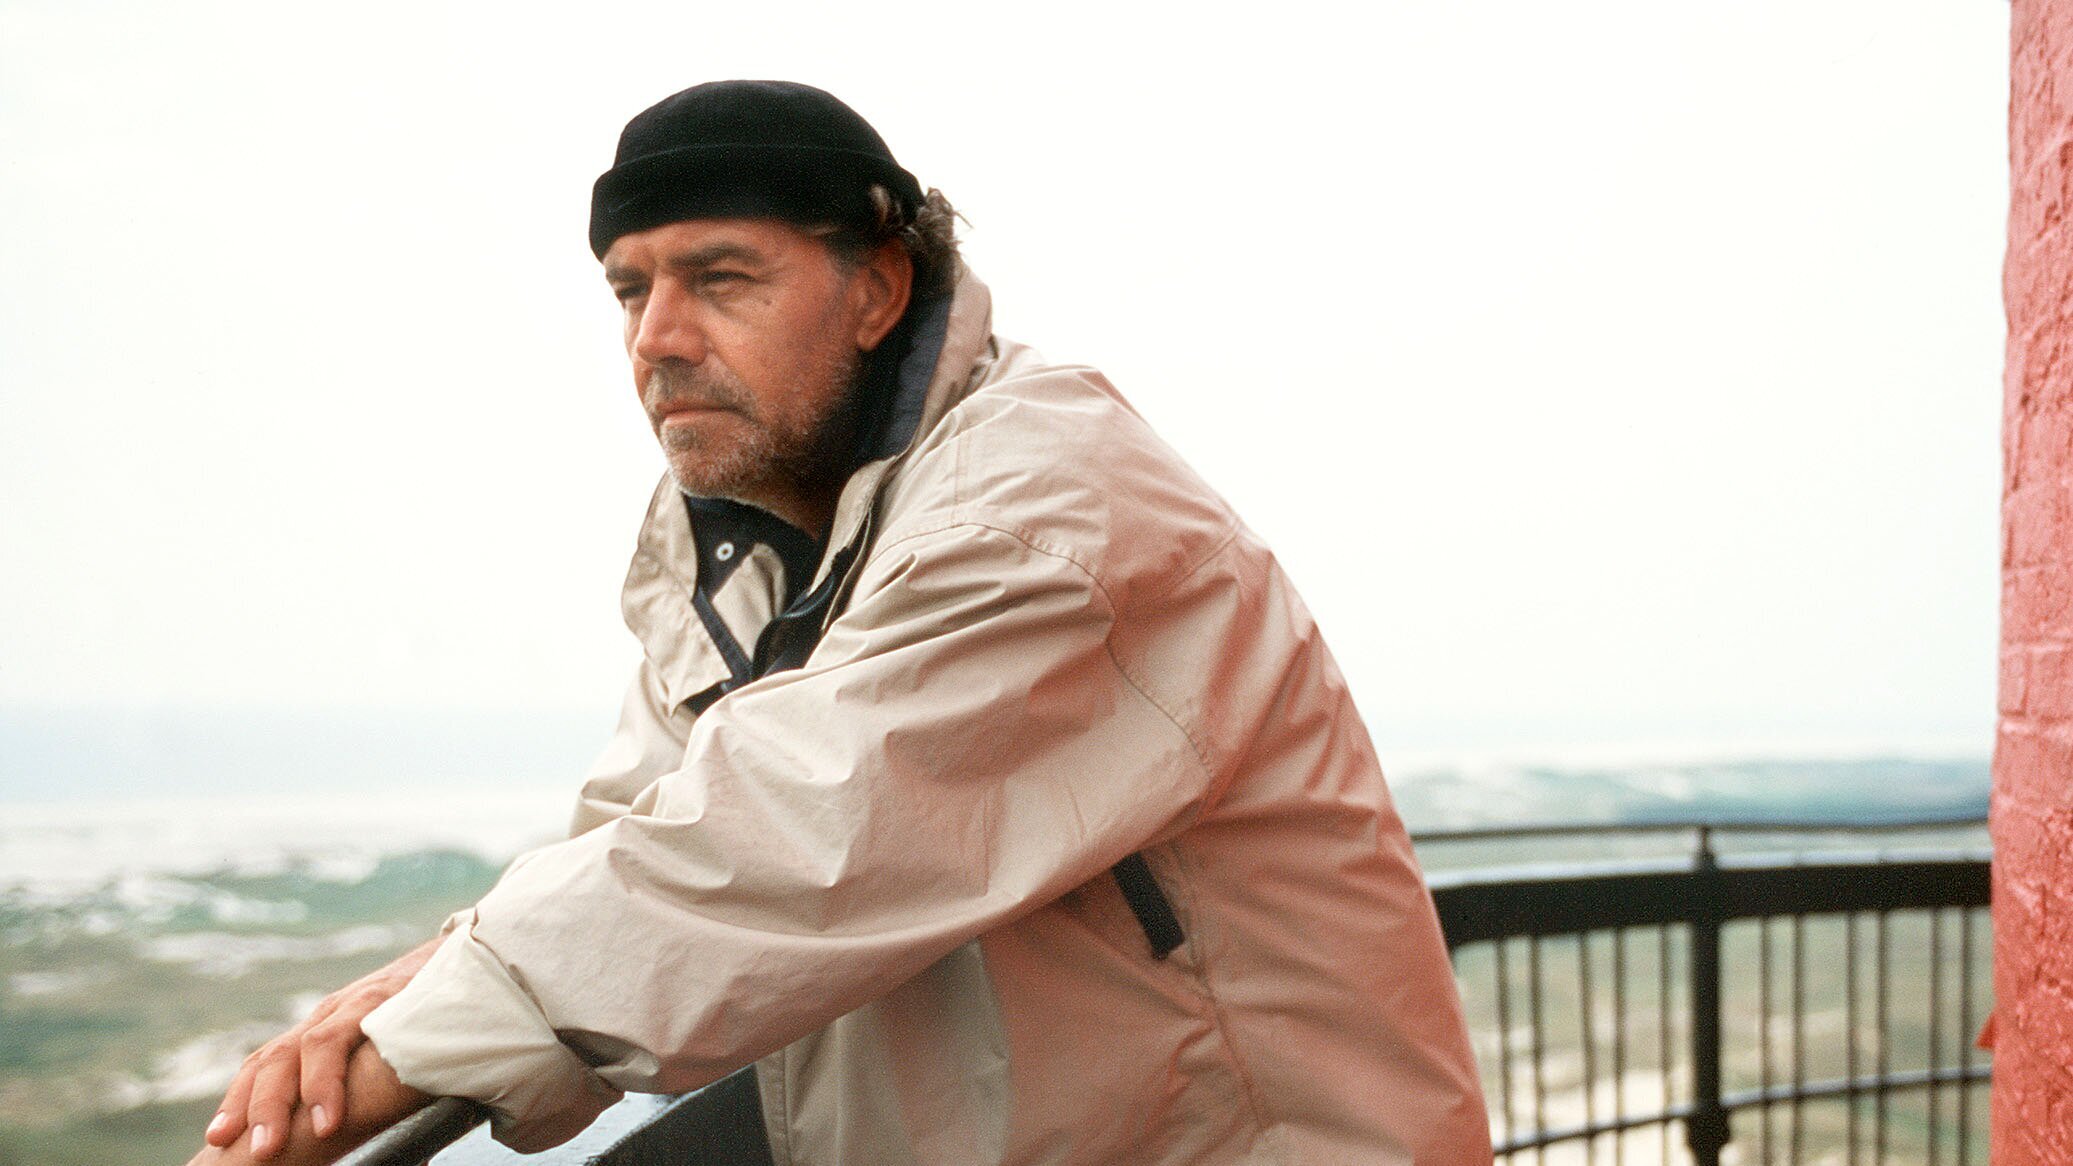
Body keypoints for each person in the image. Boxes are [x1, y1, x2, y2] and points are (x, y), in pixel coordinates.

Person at [188, 80, 1491, 1165]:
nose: (657, 338)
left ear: (878, 289)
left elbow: (789, 841)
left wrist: (384, 1066)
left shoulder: (1042, 509)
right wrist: (418, 985)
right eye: (629, 290)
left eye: (720, 278)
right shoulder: (742, 540)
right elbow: (648, 829)